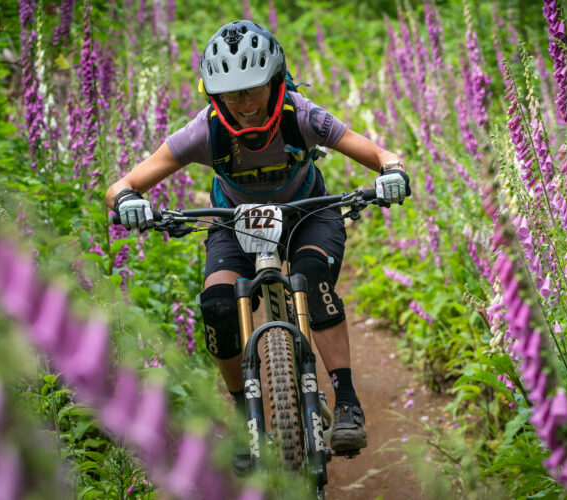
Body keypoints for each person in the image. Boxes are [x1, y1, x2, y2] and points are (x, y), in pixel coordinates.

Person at [105, 20, 410, 472]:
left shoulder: (300, 115)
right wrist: (128, 201)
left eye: (251, 90)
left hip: (308, 214)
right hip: (233, 223)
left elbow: (378, 153)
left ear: (274, 81)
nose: (243, 104)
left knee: (312, 277)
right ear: (213, 94)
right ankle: (242, 415)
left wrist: (391, 172)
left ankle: (346, 400)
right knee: (218, 303)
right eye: (230, 94)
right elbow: (122, 184)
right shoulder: (204, 132)